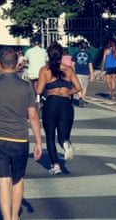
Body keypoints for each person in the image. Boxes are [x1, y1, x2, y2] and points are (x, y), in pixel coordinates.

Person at [0, 47, 42, 220]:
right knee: (17, 179)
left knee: (3, 180)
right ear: (17, 64)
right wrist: (39, 142)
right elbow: (32, 116)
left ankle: (6, 218)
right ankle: (14, 216)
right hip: (20, 139)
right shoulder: (26, 87)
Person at [35, 43, 82, 175]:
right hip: (66, 105)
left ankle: (55, 166)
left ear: (48, 55)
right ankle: (66, 144)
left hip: (51, 103)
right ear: (62, 55)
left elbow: (39, 90)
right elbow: (78, 88)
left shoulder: (45, 70)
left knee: (50, 136)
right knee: (63, 135)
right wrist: (68, 92)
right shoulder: (68, 70)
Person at [72, 41, 94, 107]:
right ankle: (83, 99)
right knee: (84, 88)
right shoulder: (89, 54)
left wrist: (72, 72)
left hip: (77, 73)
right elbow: (90, 65)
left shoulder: (75, 54)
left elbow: (72, 65)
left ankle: (80, 97)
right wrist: (92, 74)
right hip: (86, 73)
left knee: (78, 87)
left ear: (79, 47)